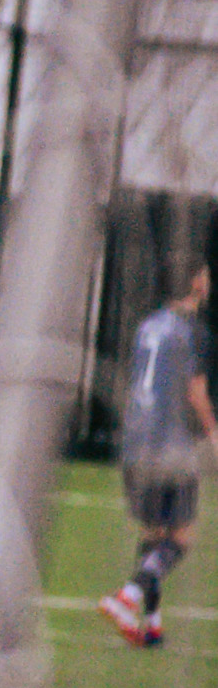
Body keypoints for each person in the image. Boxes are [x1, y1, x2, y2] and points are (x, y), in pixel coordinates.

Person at [101, 261, 216, 647]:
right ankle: (128, 597)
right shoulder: (194, 331)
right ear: (197, 284)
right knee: (180, 539)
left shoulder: (147, 327)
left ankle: (151, 623)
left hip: (136, 446)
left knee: (153, 538)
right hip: (172, 448)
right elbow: (195, 393)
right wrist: (214, 433)